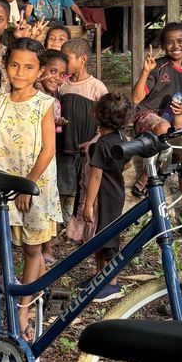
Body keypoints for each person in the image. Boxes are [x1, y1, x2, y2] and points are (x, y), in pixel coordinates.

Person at [0, 38, 62, 341]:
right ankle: (24, 296)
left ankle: (23, 310)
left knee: (32, 249)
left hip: (33, 187)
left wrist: (27, 185)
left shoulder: (44, 104)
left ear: (41, 71)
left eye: (29, 67)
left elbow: (48, 149)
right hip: (5, 187)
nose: (20, 72)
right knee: (8, 245)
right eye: (14, 65)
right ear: (6, 65)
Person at [131, 22, 182, 221]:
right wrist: (144, 72)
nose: (175, 46)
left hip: (171, 122)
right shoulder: (158, 66)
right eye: (170, 42)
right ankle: (146, 175)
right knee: (168, 133)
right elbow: (135, 99)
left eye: (180, 41)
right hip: (147, 116)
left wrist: (181, 114)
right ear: (163, 45)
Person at [79, 93, 133, 302]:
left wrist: (88, 205)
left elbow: (96, 176)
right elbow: (127, 163)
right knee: (101, 237)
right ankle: (101, 278)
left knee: (108, 240)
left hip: (103, 197)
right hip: (116, 195)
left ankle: (112, 284)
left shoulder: (101, 144)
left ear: (97, 116)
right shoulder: (121, 139)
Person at [58, 37, 108, 225]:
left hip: (87, 148)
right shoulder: (62, 85)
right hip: (64, 146)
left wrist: (94, 141)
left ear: (83, 59)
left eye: (67, 58)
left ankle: (79, 224)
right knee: (65, 185)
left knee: (84, 185)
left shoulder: (96, 87)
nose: (64, 62)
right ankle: (65, 222)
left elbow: (105, 121)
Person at [36, 49, 68, 264]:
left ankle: (45, 248)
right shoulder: (34, 95)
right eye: (52, 71)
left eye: (61, 74)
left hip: (49, 156)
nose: (57, 77)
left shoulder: (52, 97)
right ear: (40, 71)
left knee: (46, 199)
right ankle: (40, 249)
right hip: (35, 155)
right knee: (39, 200)